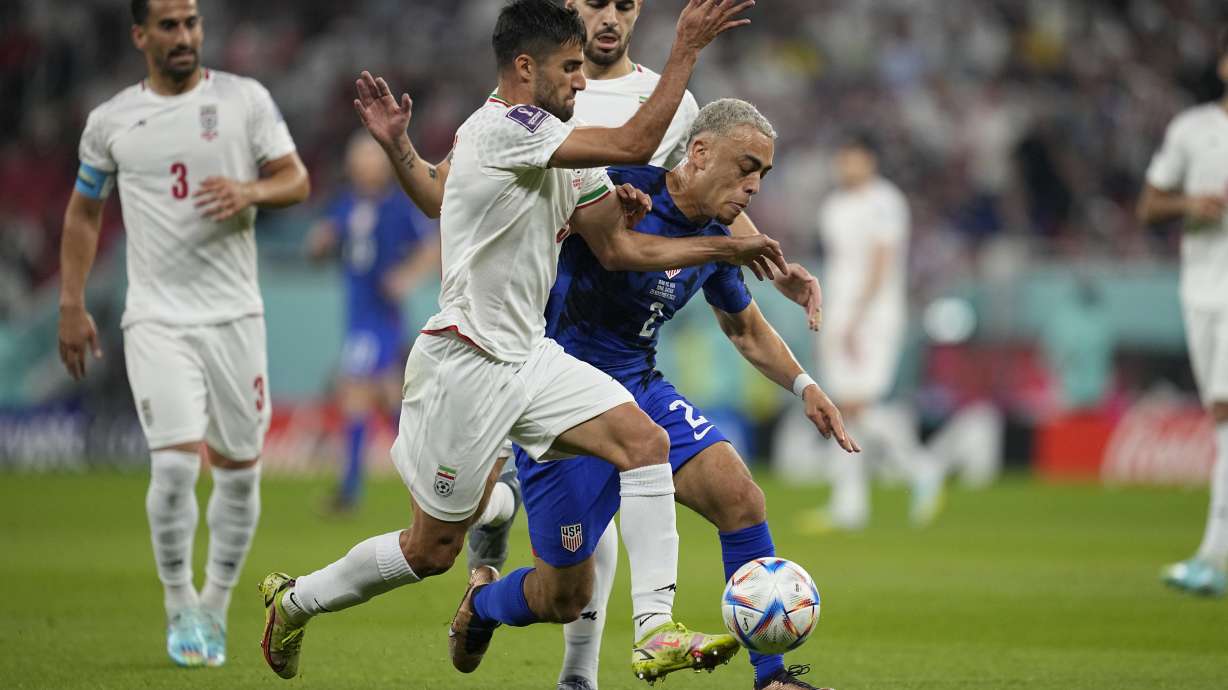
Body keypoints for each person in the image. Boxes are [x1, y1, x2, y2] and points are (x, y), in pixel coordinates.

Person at [257, 0, 785, 683]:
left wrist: (704, 241)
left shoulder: (559, 144)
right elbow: (628, 146)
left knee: (645, 442)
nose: (581, 83)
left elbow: (619, 248)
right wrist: (684, 48)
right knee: (430, 550)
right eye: (569, 69)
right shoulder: (504, 128)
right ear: (525, 68)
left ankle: (655, 628)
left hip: (532, 358)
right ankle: (296, 601)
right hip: (465, 362)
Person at [498, 99, 856, 690]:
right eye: (746, 167)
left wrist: (805, 384)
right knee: (563, 595)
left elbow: (743, 327)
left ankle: (772, 678)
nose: (753, 187)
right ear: (698, 152)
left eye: (762, 175)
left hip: (639, 385)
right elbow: (600, 247)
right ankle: (484, 604)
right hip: (562, 396)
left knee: (741, 498)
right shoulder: (621, 193)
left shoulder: (716, 237)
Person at [56, 0, 309, 668]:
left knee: (238, 476)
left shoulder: (244, 100)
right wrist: (71, 302)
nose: (185, 35)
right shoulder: (110, 121)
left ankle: (214, 608)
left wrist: (250, 193)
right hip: (157, 319)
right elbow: (84, 214)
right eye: (168, 25)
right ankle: (178, 608)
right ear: (141, 35)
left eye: (192, 22)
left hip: (235, 318)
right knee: (171, 468)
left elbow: (297, 179)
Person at [799, 133, 944, 532]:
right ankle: (849, 505)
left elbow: (882, 263)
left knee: (858, 405)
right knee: (841, 408)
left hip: (873, 315)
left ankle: (921, 468)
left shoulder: (885, 201)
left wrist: (857, 318)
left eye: (852, 158)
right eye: (841, 158)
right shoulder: (834, 206)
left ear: (869, 160)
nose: (845, 166)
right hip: (838, 311)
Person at [1138, 27, 1228, 597]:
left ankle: (1211, 556)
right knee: (1222, 416)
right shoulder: (1193, 129)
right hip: (1201, 289)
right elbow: (1150, 204)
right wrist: (1192, 203)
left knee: (1225, 413)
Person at [306, 132, 439, 512]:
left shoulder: (399, 206)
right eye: (358, 159)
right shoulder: (345, 206)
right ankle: (428, 475)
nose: (363, 166)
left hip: (379, 317)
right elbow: (323, 245)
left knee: (355, 390)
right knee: (383, 395)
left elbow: (431, 246)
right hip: (357, 313)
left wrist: (407, 276)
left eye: (369, 158)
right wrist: (319, 244)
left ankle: (350, 489)